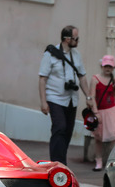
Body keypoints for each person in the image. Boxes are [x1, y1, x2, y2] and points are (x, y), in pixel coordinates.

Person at [38, 25, 93, 165]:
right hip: (54, 98)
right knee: (60, 127)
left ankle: (61, 162)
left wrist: (88, 96)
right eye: (76, 38)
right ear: (67, 39)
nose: (78, 41)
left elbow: (82, 77)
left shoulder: (76, 55)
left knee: (68, 131)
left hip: (71, 99)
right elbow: (42, 79)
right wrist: (43, 102)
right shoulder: (50, 54)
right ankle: (58, 164)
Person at [89, 55, 115, 171]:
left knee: (114, 136)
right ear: (101, 66)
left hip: (111, 110)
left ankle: (112, 161)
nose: (108, 69)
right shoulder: (95, 79)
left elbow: (114, 95)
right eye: (106, 66)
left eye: (110, 67)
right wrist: (96, 112)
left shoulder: (113, 80)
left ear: (113, 68)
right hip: (99, 111)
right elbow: (92, 96)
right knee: (98, 138)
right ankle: (98, 161)